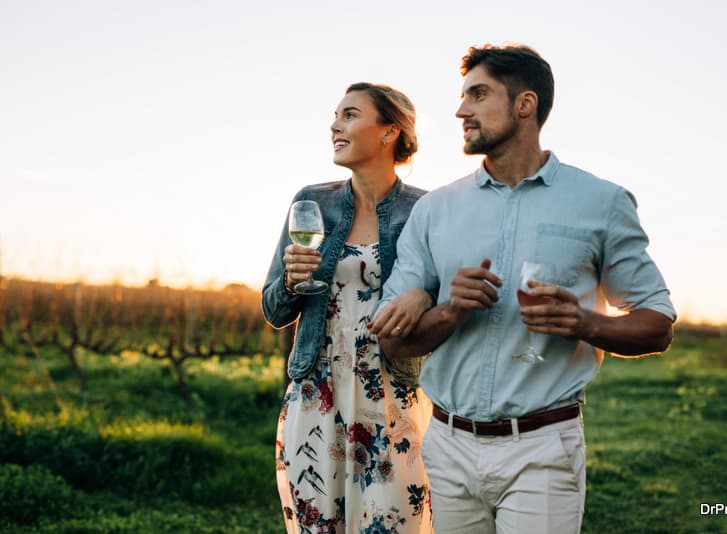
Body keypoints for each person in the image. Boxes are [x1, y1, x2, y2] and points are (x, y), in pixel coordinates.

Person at [369, 44, 676, 533]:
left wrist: (586, 323)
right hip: (447, 445)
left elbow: (656, 324)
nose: (460, 109)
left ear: (524, 104)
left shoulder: (600, 202)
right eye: (463, 96)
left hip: (543, 446)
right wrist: (451, 310)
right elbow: (393, 340)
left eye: (478, 94)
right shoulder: (435, 211)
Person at [262, 83, 434, 532]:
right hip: (316, 391)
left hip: (391, 392)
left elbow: (443, 304)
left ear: (388, 131)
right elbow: (274, 309)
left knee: (392, 523)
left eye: (350, 114)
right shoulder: (311, 202)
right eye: (335, 115)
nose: (335, 124)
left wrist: (423, 298)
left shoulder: (426, 210)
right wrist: (291, 280)